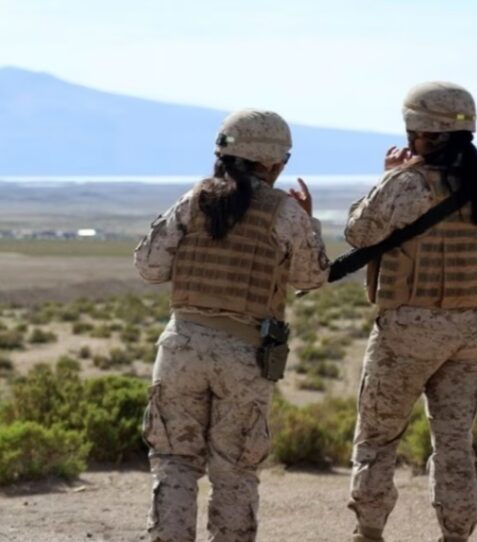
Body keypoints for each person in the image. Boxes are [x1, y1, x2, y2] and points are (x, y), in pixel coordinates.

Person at [134, 109, 329, 542]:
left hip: (181, 345)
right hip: (244, 354)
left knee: (174, 462)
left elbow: (149, 266)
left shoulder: (194, 200)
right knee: (235, 472)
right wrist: (309, 221)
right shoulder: (285, 212)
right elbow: (312, 278)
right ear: (276, 163)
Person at [345, 81, 477, 542]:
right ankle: (457, 533)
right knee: (454, 444)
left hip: (406, 330)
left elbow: (358, 233)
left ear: (420, 132)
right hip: (471, 332)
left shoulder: (405, 184)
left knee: (378, 439)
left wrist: (386, 176)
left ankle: (368, 531)